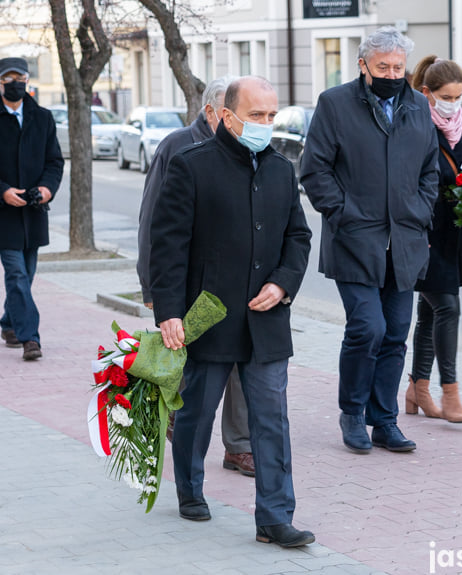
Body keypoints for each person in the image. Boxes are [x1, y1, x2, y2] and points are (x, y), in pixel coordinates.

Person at [150, 76, 314, 547]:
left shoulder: (282, 169)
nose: (266, 124)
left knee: (271, 419)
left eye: (271, 116)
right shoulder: (190, 166)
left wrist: (283, 282)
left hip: (266, 319)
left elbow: (297, 237)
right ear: (226, 116)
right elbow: (169, 246)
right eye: (256, 115)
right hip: (208, 317)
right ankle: (189, 487)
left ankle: (275, 517)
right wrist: (169, 312)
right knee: (197, 412)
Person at [300, 26, 439, 454]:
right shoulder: (335, 104)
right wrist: (345, 214)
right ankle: (353, 413)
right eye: (383, 67)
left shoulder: (417, 105)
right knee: (368, 327)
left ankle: (385, 422)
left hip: (404, 242)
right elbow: (314, 170)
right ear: (363, 66)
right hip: (354, 240)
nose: (393, 73)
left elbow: (429, 171)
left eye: (399, 67)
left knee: (396, 331)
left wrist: (419, 212)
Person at [137, 76, 256, 477]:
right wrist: (152, 287)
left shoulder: (249, 152)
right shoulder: (177, 146)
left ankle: (239, 445)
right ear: (211, 112)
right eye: (232, 111)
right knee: (195, 364)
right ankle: (182, 427)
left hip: (237, 286)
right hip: (189, 282)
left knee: (241, 364)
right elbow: (153, 220)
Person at [0, 57, 64, 361]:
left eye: (20, 77)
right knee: (17, 275)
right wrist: (2, 192)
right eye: (8, 78)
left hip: (34, 211)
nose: (15, 83)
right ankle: (29, 339)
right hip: (2, 212)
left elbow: (55, 161)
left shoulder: (43, 118)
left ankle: (9, 323)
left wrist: (47, 188)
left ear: (28, 82)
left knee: (27, 274)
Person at [406, 56, 462, 424]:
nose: (453, 102)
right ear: (427, 93)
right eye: (446, 96)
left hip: (450, 232)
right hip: (422, 231)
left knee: (430, 311)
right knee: (447, 306)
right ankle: (450, 391)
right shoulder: (415, 126)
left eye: (459, 95)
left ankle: (417, 387)